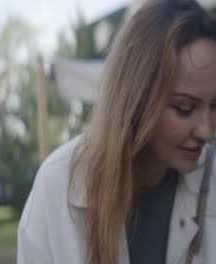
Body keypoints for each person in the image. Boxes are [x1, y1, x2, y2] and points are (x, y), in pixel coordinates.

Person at [18, 0, 216, 263]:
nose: (206, 131)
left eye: (215, 106)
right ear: (136, 98)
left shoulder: (211, 178)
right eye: (184, 108)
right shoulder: (57, 183)